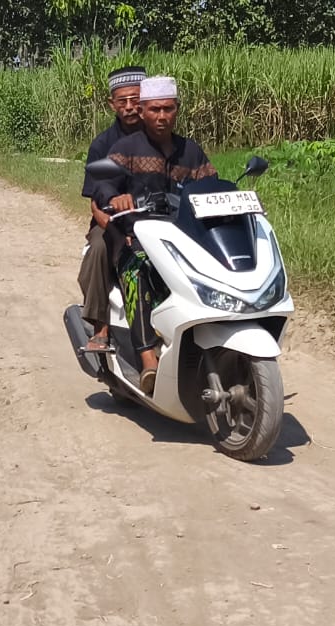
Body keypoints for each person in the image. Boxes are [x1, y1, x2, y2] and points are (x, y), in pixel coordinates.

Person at [92, 75, 217, 395]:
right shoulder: (125, 148)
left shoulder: (191, 151)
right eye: (155, 109)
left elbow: (212, 186)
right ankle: (148, 360)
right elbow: (103, 184)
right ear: (144, 111)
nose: (162, 116)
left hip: (183, 239)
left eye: (168, 109)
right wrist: (115, 196)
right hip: (136, 239)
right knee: (136, 273)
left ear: (177, 110)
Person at [78, 65, 146, 354]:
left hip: (157, 222)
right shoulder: (103, 144)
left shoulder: (162, 139)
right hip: (112, 223)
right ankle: (100, 326)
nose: (130, 107)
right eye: (123, 101)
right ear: (112, 104)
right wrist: (114, 229)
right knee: (99, 249)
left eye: (136, 100)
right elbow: (95, 202)